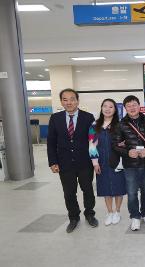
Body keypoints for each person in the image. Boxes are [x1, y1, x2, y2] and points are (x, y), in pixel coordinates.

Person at [47, 88, 98, 233]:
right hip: (64, 163)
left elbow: (93, 141)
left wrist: (95, 161)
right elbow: (51, 142)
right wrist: (53, 162)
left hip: (85, 163)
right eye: (65, 99)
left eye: (72, 99)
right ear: (61, 101)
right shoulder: (55, 118)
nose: (69, 102)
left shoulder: (88, 117)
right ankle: (73, 217)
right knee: (69, 193)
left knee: (87, 190)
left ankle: (89, 214)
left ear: (77, 101)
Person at [112, 95, 145, 231]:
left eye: (134, 104)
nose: (132, 108)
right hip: (130, 165)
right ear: (125, 108)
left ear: (139, 105)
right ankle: (135, 216)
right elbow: (115, 145)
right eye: (129, 106)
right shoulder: (120, 124)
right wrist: (127, 152)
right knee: (132, 192)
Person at [89, 99, 126, 226]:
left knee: (118, 187)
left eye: (111, 107)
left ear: (115, 110)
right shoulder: (94, 126)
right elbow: (92, 145)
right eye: (105, 106)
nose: (107, 109)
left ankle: (117, 212)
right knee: (105, 187)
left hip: (117, 161)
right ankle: (109, 212)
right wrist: (95, 163)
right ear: (101, 108)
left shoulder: (120, 125)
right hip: (101, 161)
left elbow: (125, 143)